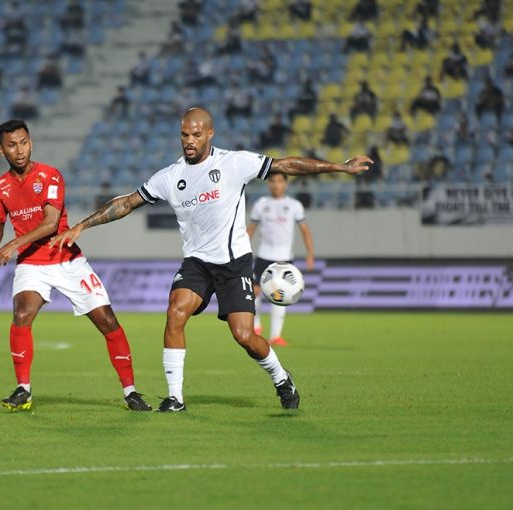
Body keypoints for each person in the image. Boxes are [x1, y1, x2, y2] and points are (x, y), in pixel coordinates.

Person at [50, 107, 372, 412]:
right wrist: (82, 225)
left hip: (234, 263)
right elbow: (127, 203)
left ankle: (281, 378)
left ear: (210, 134)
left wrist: (339, 167)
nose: (189, 141)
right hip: (197, 263)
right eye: (184, 135)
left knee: (244, 336)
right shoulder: (169, 176)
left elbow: (286, 165)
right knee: (175, 313)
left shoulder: (235, 163)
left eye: (196, 135)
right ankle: (175, 398)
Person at [0, 119, 152, 412]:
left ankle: (131, 391)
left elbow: (49, 224)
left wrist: (11, 246)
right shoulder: (0, 187)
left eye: (23, 142)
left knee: (108, 322)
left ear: (31, 143)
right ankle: (23, 389)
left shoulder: (50, 176)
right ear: (1, 150)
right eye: (12, 145)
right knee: (22, 313)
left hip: (68, 260)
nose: (19, 150)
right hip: (32, 263)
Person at [246, 174, 313, 347]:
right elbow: (250, 230)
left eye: (280, 181)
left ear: (285, 183)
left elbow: (305, 231)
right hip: (264, 255)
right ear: (269, 184)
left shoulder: (294, 205)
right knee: (255, 292)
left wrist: (310, 255)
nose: (276, 185)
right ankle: (256, 326)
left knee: (280, 295)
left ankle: (275, 336)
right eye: (273, 181)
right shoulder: (261, 205)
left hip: (284, 259)